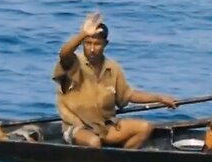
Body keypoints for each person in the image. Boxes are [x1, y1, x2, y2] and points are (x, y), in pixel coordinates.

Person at [52, 12, 177, 149]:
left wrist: (159, 98)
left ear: (105, 44)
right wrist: (83, 33)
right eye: (88, 43)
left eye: (97, 44)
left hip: (105, 127)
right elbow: (64, 54)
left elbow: (128, 95)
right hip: (77, 128)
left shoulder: (113, 68)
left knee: (145, 128)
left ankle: (124, 159)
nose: (92, 49)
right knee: (94, 142)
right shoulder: (73, 63)